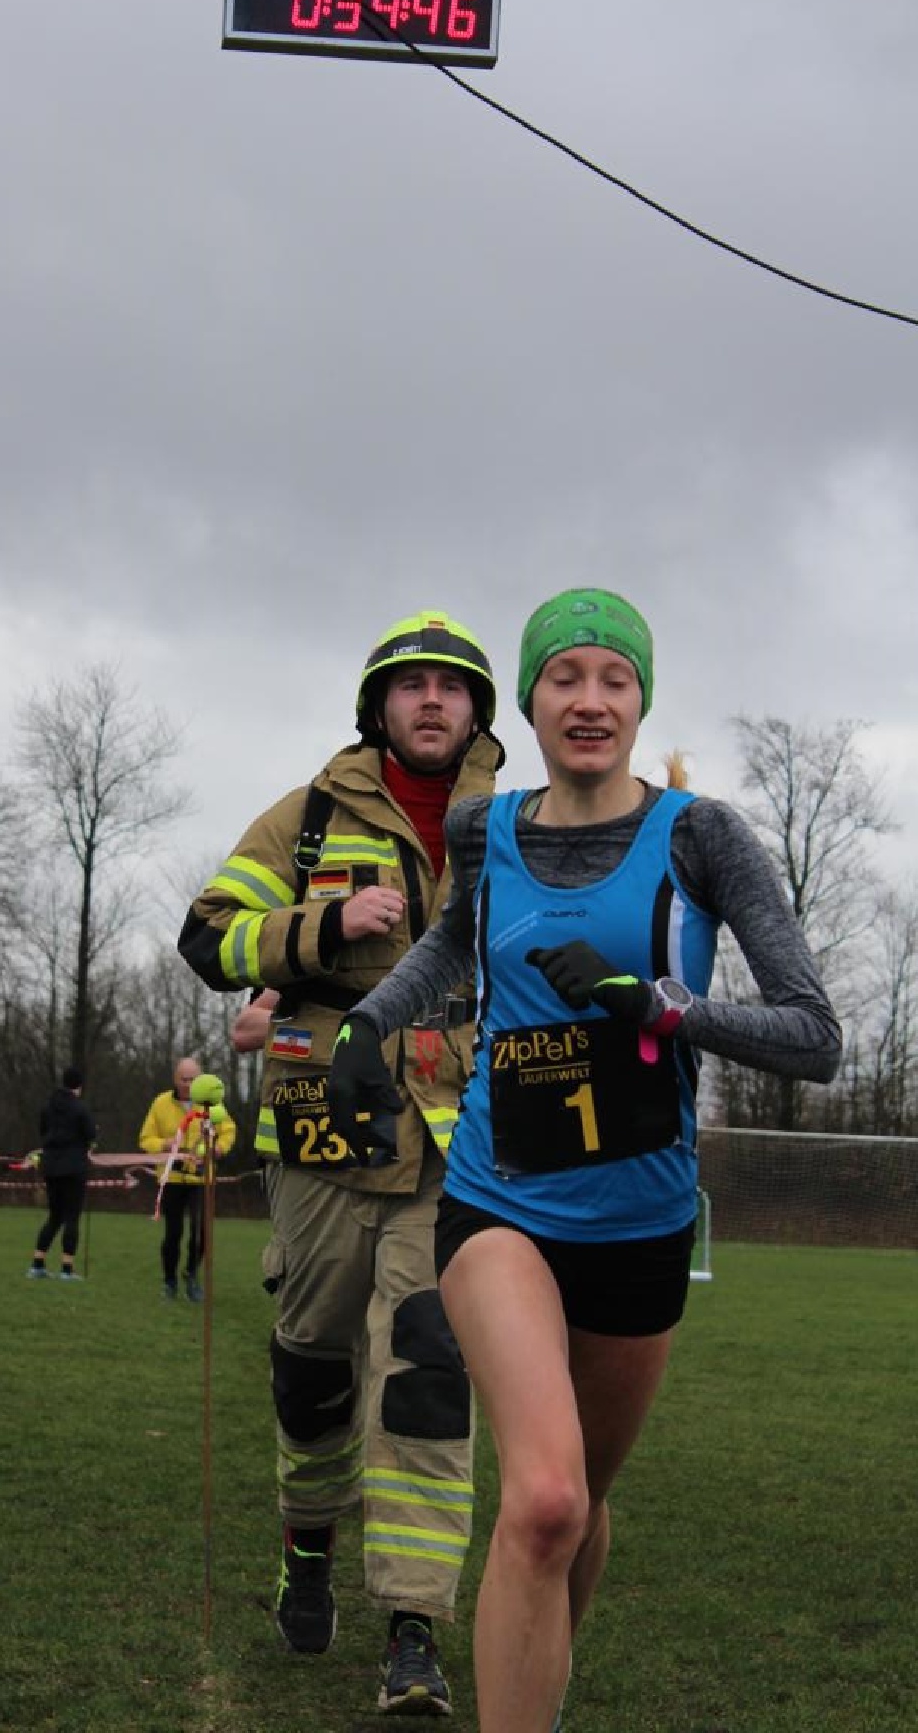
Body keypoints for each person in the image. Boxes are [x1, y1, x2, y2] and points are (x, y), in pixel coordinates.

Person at [327, 588, 842, 1733]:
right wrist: (371, 1024)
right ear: (530, 699)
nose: (590, 699)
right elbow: (449, 944)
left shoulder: (700, 837)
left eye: (613, 677)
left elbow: (814, 1033)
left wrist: (660, 1007)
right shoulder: (485, 830)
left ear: (640, 694)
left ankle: (535, 1682)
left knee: (581, 1501)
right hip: (498, 1199)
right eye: (564, 677)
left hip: (640, 1222)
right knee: (545, 1496)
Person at [179, 610, 505, 1717]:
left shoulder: (513, 823)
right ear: (378, 707)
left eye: (450, 686)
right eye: (408, 685)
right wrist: (319, 924)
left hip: (454, 1151)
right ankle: (305, 1549)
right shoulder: (308, 817)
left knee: (426, 1368)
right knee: (313, 1367)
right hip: (321, 1137)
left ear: (474, 710)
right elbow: (207, 933)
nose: (429, 700)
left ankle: (412, 1630)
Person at [138, 1055, 237, 1301]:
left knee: (201, 1233)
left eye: (193, 1079)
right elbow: (145, 1139)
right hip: (171, 1178)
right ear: (175, 1078)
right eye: (184, 1079)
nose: (188, 1084)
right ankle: (169, 1281)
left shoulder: (211, 1105)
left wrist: (220, 1148)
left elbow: (228, 1130)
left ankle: (191, 1276)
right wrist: (165, 1143)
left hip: (201, 1180)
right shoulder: (160, 1103)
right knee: (173, 1234)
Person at [27, 1066, 96, 1282]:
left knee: (55, 1216)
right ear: (79, 1086)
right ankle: (67, 1268)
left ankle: (37, 1263)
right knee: (72, 1218)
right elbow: (90, 1136)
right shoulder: (80, 1109)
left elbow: (43, 1131)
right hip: (73, 1168)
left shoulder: (48, 1106)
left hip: (51, 1167)